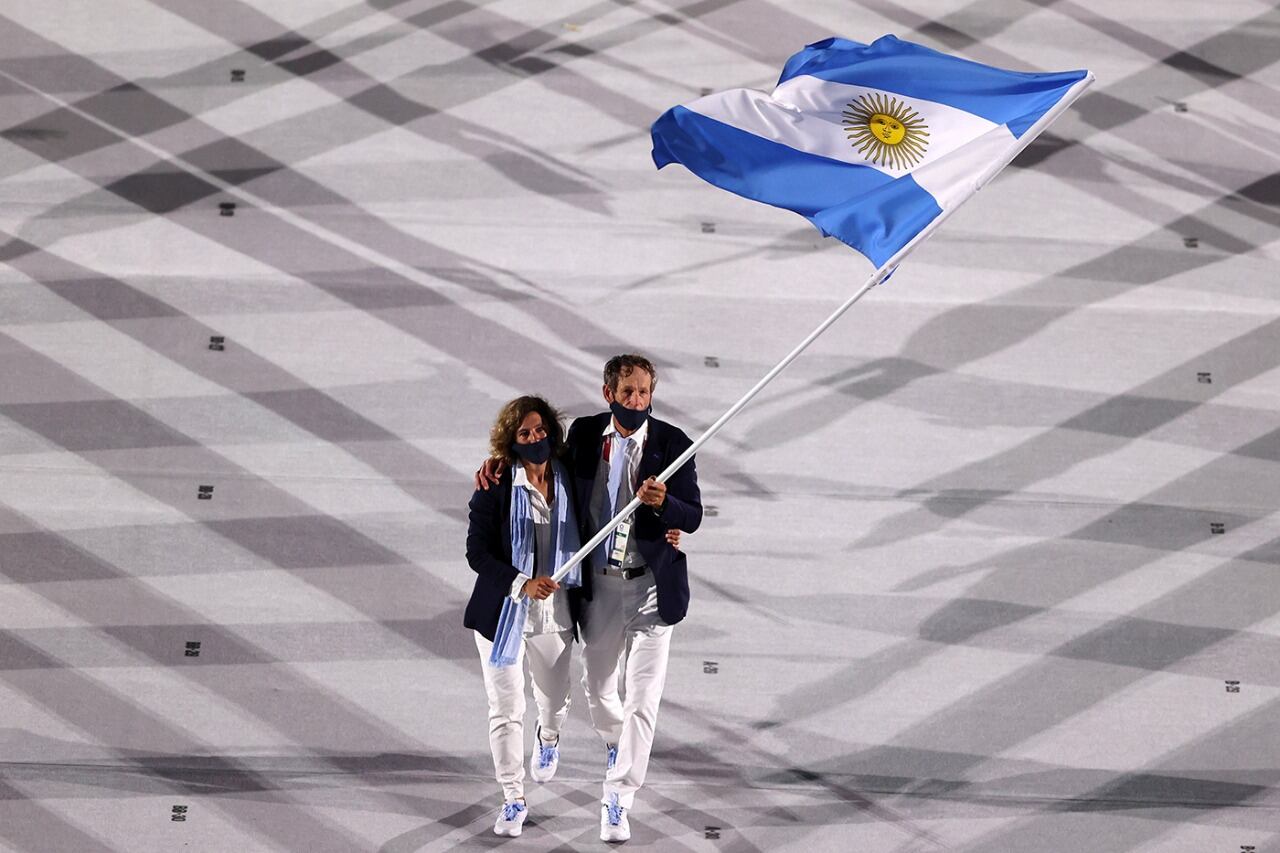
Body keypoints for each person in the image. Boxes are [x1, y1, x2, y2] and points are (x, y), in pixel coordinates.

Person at [477, 355, 702, 842]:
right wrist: (498, 462)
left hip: (651, 589)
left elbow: (694, 514)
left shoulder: (674, 444)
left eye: (644, 392)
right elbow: (538, 463)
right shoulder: (582, 435)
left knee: (643, 700)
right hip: (599, 587)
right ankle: (601, 742)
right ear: (608, 394)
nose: (636, 401)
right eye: (628, 392)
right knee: (599, 695)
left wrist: (667, 506)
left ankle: (618, 797)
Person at [464, 395, 581, 838]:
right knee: (506, 710)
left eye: (540, 429)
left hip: (555, 615)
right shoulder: (495, 485)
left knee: (553, 701)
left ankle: (548, 737)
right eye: (524, 433)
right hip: (502, 618)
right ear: (510, 442)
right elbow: (477, 553)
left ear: (551, 430)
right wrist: (521, 582)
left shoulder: (572, 475)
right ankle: (512, 796)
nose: (535, 438)